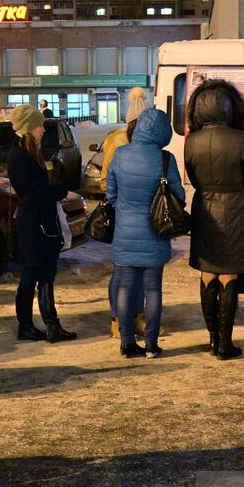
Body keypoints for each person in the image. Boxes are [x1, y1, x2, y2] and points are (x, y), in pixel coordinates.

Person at [185, 79, 244, 360]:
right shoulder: (240, 139)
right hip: (235, 209)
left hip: (204, 208)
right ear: (229, 108)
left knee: (207, 272)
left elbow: (192, 175)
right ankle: (225, 343)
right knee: (229, 273)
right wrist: (236, 194)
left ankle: (212, 338)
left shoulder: (192, 140)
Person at [106, 108, 183, 358]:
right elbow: (178, 197)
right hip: (155, 233)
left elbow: (111, 195)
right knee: (153, 290)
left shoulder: (120, 154)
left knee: (126, 288)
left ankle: (126, 343)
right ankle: (151, 343)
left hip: (125, 233)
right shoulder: (165, 159)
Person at [7, 104, 76, 342]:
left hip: (40, 222)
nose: (43, 131)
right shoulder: (20, 155)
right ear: (28, 127)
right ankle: (25, 326)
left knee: (46, 272)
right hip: (34, 224)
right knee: (32, 274)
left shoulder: (27, 151)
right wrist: (59, 190)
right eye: (39, 126)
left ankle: (52, 326)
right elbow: (36, 192)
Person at [100, 86, 150, 339]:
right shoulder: (118, 141)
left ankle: (129, 318)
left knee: (133, 270)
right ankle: (122, 320)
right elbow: (105, 181)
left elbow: (104, 181)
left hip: (134, 215)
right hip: (128, 216)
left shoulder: (139, 142)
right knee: (127, 270)